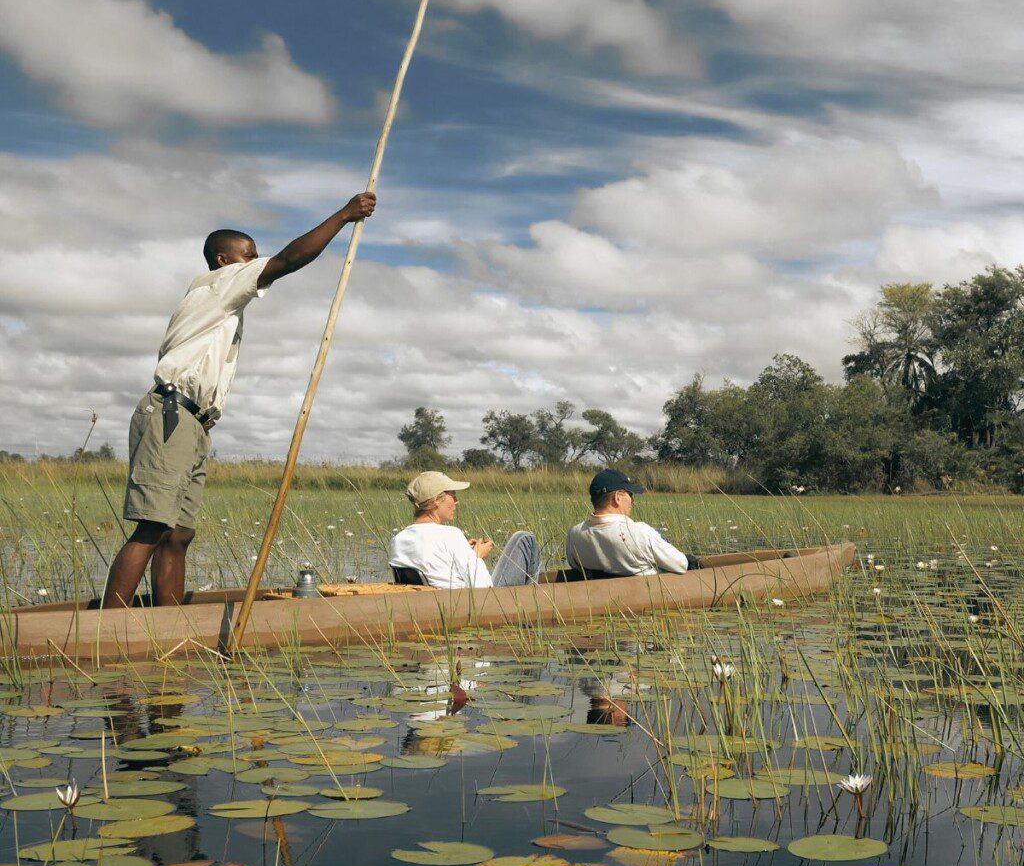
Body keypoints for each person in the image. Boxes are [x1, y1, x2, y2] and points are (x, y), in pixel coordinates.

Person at [102, 192, 378, 609]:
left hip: (192, 421)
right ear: (223, 261)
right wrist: (344, 215)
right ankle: (107, 627)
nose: (255, 263)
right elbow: (287, 260)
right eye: (248, 257)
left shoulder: (223, 300)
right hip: (170, 415)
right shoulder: (216, 284)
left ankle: (169, 623)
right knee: (153, 526)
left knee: (179, 534)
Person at [388, 471, 541, 589]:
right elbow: (484, 588)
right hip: (474, 604)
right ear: (436, 501)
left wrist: (466, 553)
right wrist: (477, 557)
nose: (456, 501)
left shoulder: (397, 539)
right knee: (524, 538)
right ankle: (530, 603)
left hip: (432, 602)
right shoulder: (450, 534)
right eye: (452, 496)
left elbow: (431, 571)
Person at [565, 468, 700, 577]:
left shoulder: (574, 533)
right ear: (617, 497)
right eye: (630, 494)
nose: (632, 500)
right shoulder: (640, 531)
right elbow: (681, 564)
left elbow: (576, 568)